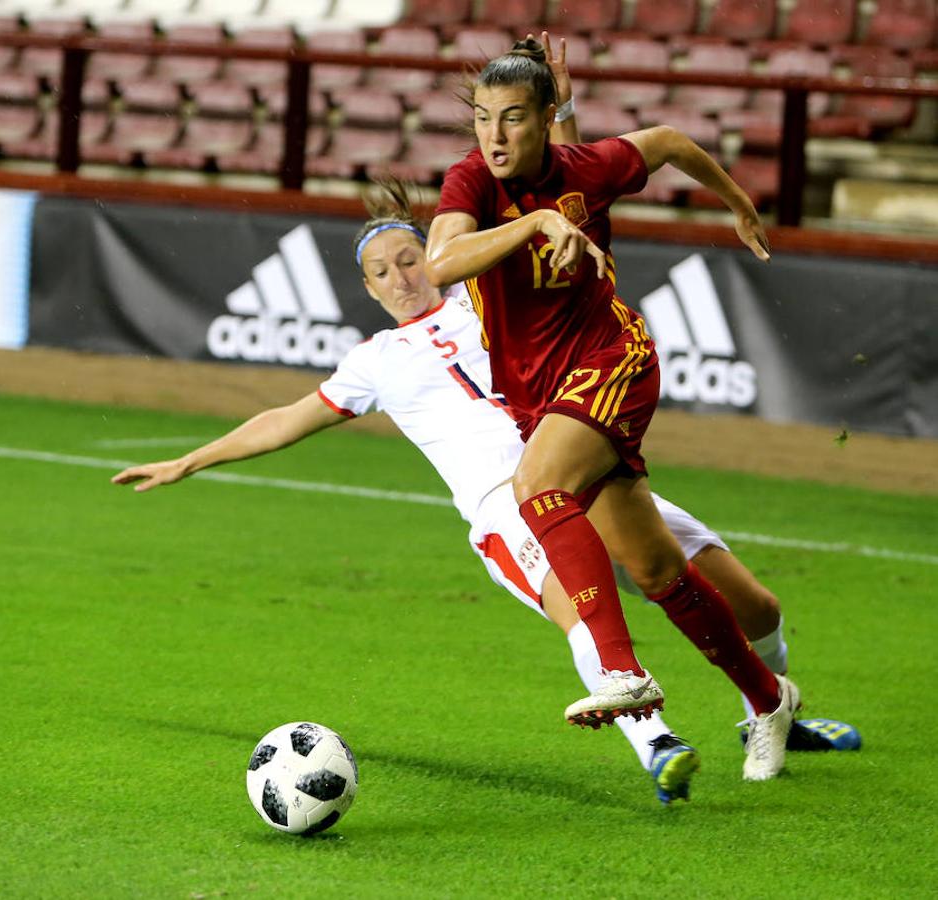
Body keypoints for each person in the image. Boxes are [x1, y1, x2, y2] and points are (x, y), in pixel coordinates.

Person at [112, 181, 857, 807]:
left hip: (583, 471)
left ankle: (774, 707)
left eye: (409, 258)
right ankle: (655, 743)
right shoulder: (373, 361)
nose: (401, 276)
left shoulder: (484, 299)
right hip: (505, 503)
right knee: (582, 613)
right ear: (367, 291)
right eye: (382, 271)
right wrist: (189, 460)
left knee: (752, 603)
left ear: (433, 258)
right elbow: (284, 420)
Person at [423, 33, 801, 782]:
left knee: (536, 488)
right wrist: (532, 225)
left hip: (612, 361)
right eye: (481, 117)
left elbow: (665, 142)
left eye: (512, 118)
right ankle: (769, 699)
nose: (493, 136)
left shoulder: (584, 169)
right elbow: (439, 262)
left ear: (545, 116)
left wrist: (736, 201)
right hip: (540, 394)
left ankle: (620, 673)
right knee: (659, 568)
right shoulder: (469, 183)